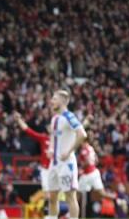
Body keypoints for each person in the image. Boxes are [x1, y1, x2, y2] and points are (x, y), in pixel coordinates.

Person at [45, 90, 87, 219]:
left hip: (66, 163)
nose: (51, 101)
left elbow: (82, 134)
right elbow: (53, 136)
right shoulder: (54, 118)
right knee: (52, 197)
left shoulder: (69, 116)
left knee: (70, 197)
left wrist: (69, 151)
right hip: (54, 163)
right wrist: (51, 149)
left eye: (54, 99)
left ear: (63, 101)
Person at [12, 112, 49, 192]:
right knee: (47, 193)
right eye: (49, 126)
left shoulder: (60, 139)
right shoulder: (44, 138)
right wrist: (19, 120)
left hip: (57, 168)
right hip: (46, 169)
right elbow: (29, 131)